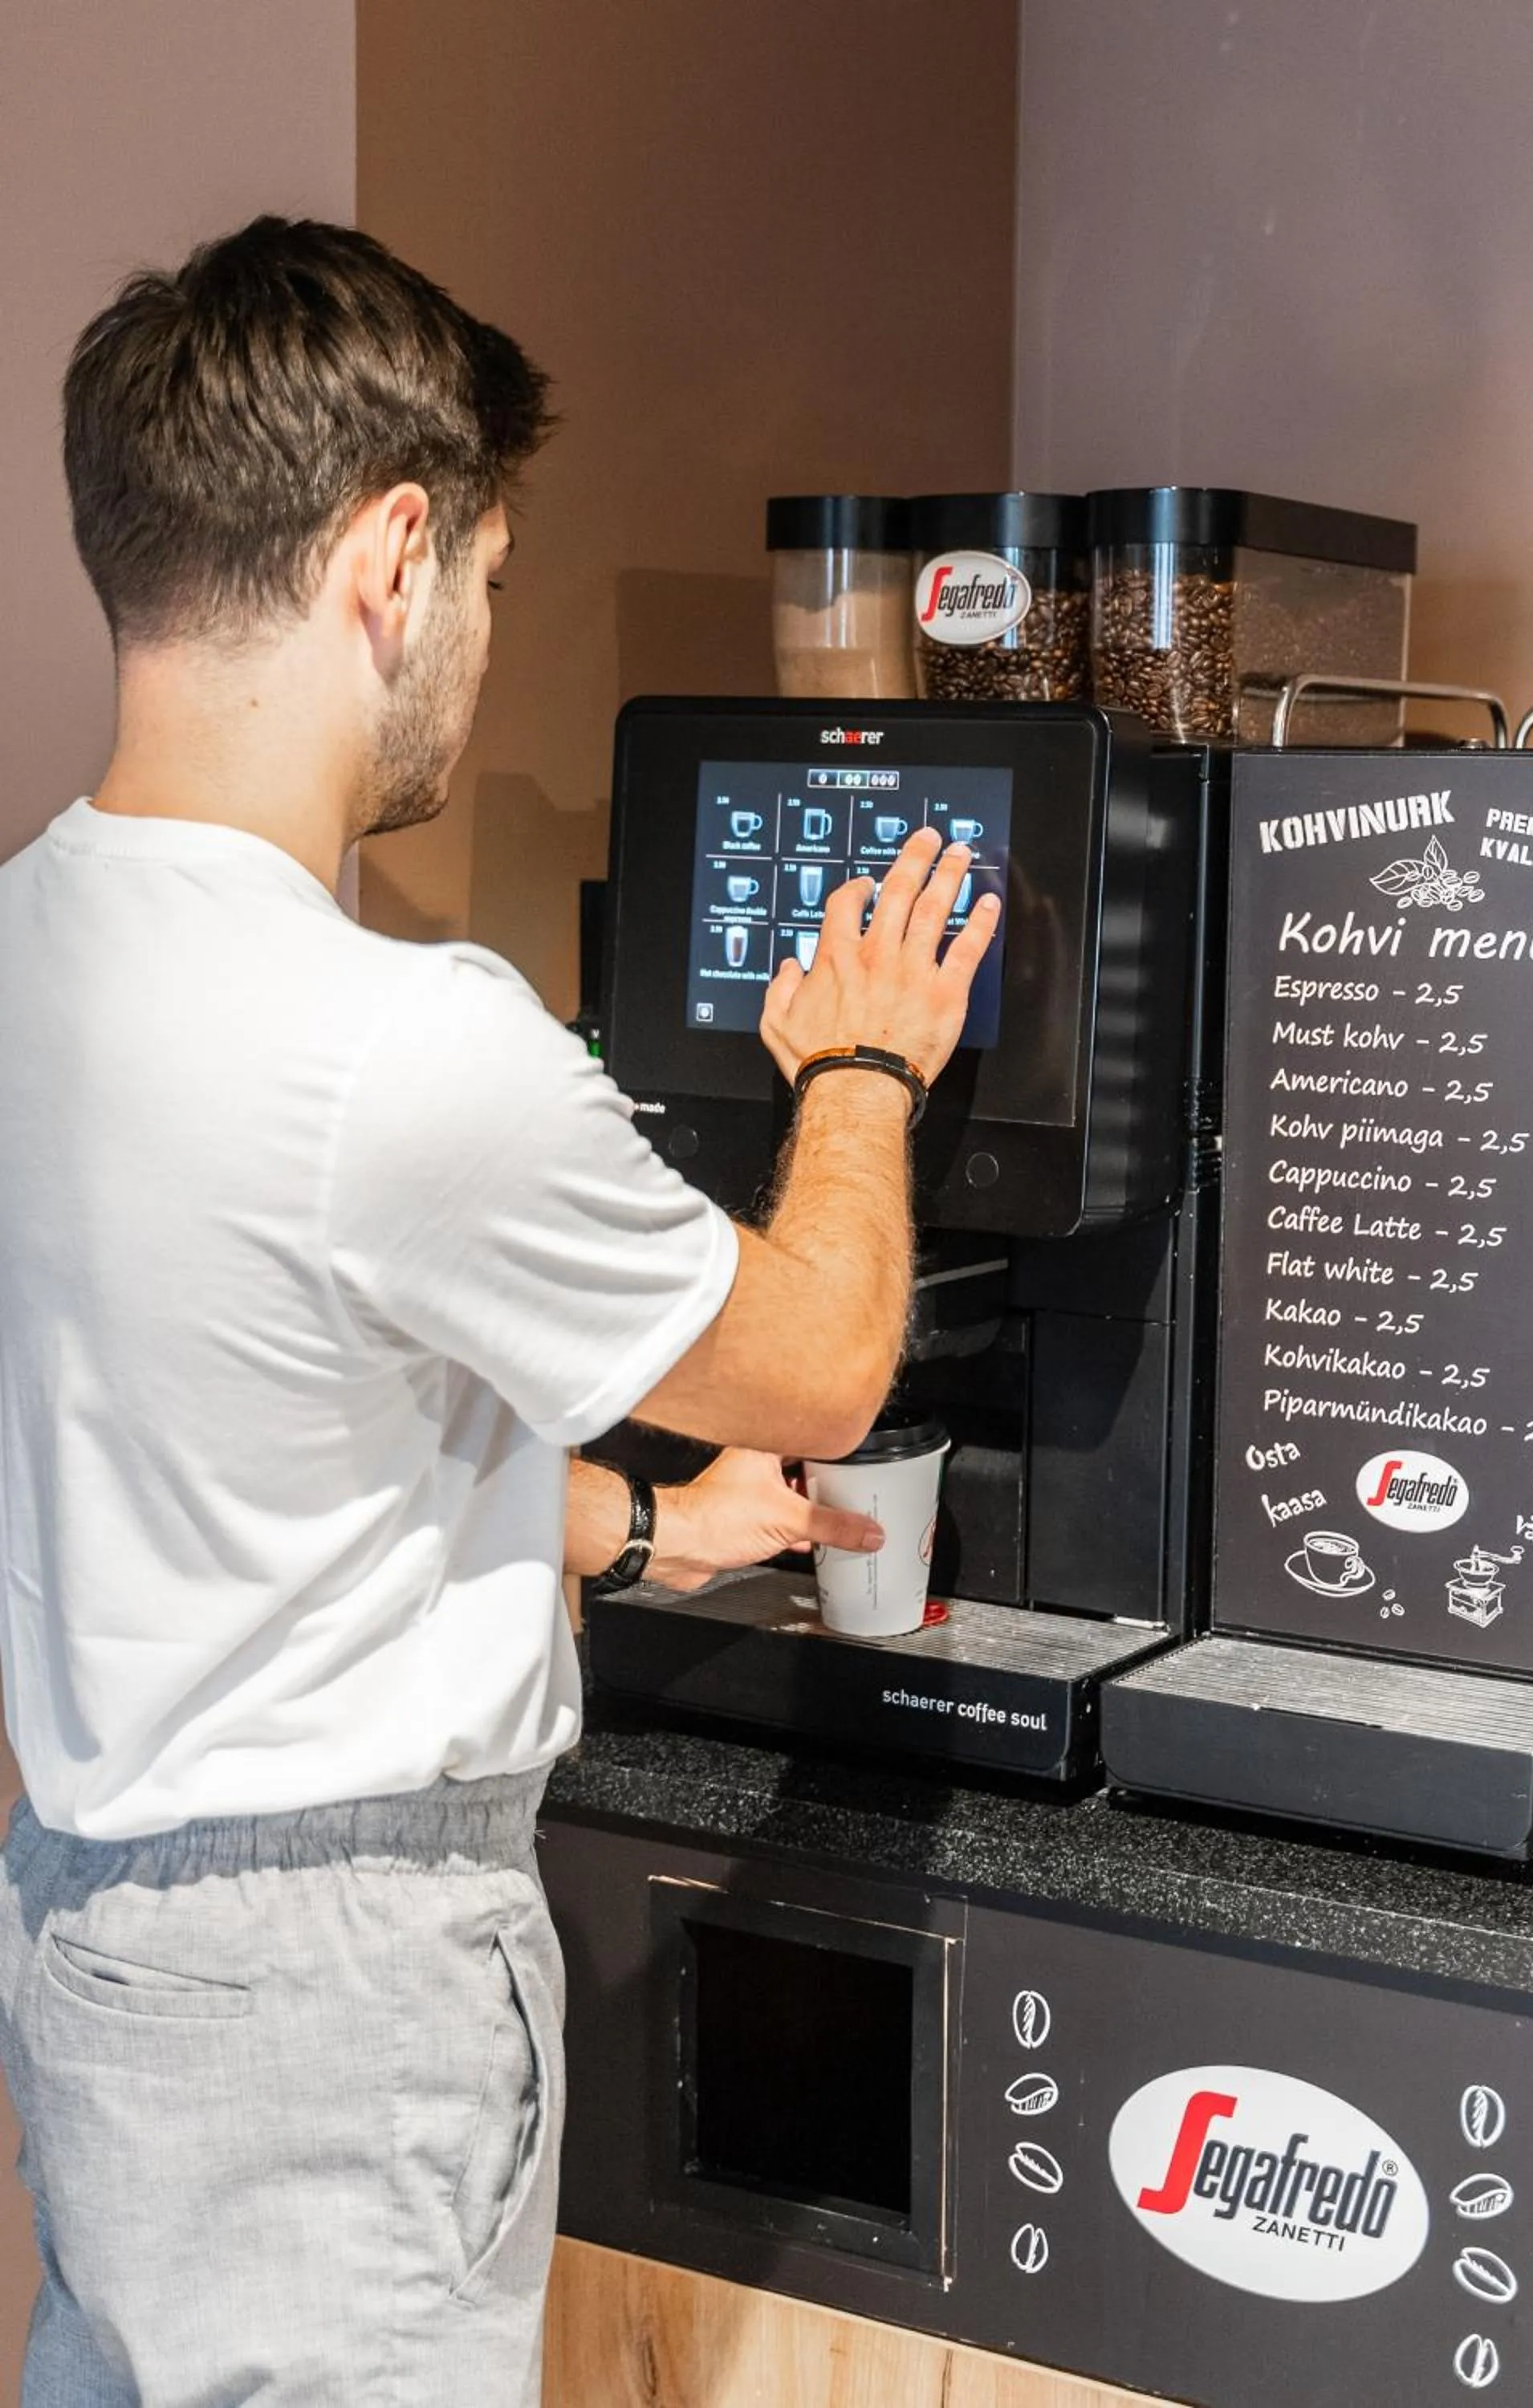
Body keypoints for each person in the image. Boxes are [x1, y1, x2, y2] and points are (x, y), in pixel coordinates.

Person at [0, 218, 997, 2406]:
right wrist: (857, 1064)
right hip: (337, 1992)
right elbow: (826, 1352)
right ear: (389, 553)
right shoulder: (396, 1042)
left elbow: (239, 1436)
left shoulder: (28, 951)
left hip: (99, 1942)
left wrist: (638, 1534)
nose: (480, 633)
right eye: (492, 579)